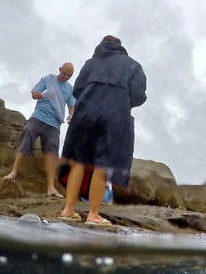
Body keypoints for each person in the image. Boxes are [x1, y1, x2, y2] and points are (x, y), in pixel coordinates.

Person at [58, 35, 146, 225]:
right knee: (103, 164)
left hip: (84, 115)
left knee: (79, 161)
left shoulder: (90, 64)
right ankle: (93, 214)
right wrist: (122, 100)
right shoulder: (133, 66)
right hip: (113, 117)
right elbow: (139, 95)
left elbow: (77, 90)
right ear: (120, 47)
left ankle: (68, 209)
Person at [3, 63, 76, 197]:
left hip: (54, 123)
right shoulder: (48, 79)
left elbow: (72, 105)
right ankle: (13, 172)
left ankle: (50, 187)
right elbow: (34, 94)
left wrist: (71, 115)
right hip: (38, 117)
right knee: (26, 139)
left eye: (69, 75)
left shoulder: (70, 89)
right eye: (64, 73)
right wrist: (44, 95)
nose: (65, 77)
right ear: (60, 69)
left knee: (52, 154)